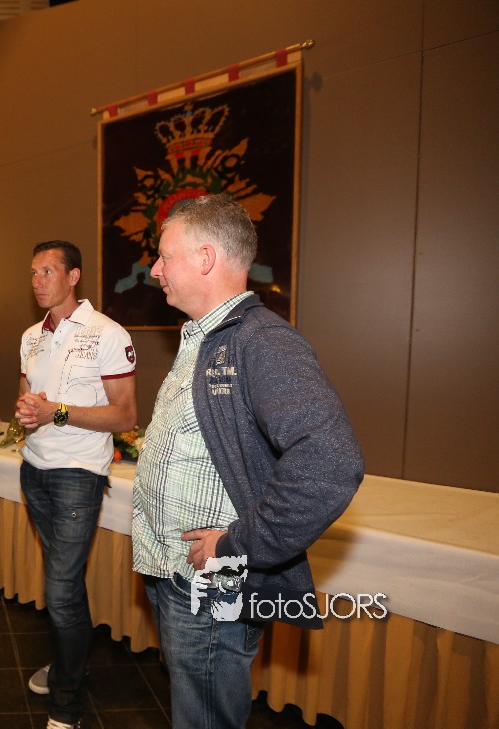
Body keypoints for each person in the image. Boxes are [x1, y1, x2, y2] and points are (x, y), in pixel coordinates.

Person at [131, 194, 364, 729]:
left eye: (164, 256)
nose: (155, 270)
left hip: (213, 586)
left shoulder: (262, 341)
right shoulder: (203, 338)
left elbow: (330, 461)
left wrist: (237, 544)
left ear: (206, 258)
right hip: (175, 574)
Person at [15, 241, 137, 729]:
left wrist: (56, 412)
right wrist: (28, 411)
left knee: (61, 589)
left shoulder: (107, 332)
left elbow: (125, 415)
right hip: (33, 469)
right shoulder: (30, 336)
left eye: (47, 271)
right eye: (33, 272)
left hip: (77, 474)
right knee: (62, 585)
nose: (37, 281)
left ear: (73, 276)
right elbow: (28, 400)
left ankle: (67, 704)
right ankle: (71, 665)